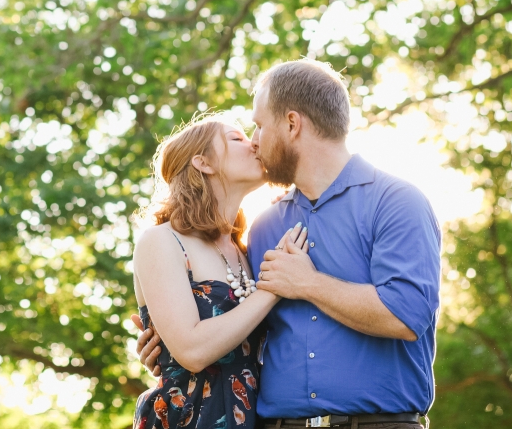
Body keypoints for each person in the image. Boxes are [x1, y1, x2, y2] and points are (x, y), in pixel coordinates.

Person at [135, 60, 442, 429]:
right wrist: (167, 350)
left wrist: (307, 283)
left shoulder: (396, 201)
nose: (254, 139)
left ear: (292, 124)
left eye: (260, 126)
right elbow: (234, 334)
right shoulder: (263, 228)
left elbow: (407, 314)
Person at [131, 113, 310, 429]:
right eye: (237, 138)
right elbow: (192, 351)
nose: (253, 142)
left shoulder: (247, 247)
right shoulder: (161, 241)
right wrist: (272, 288)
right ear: (204, 163)